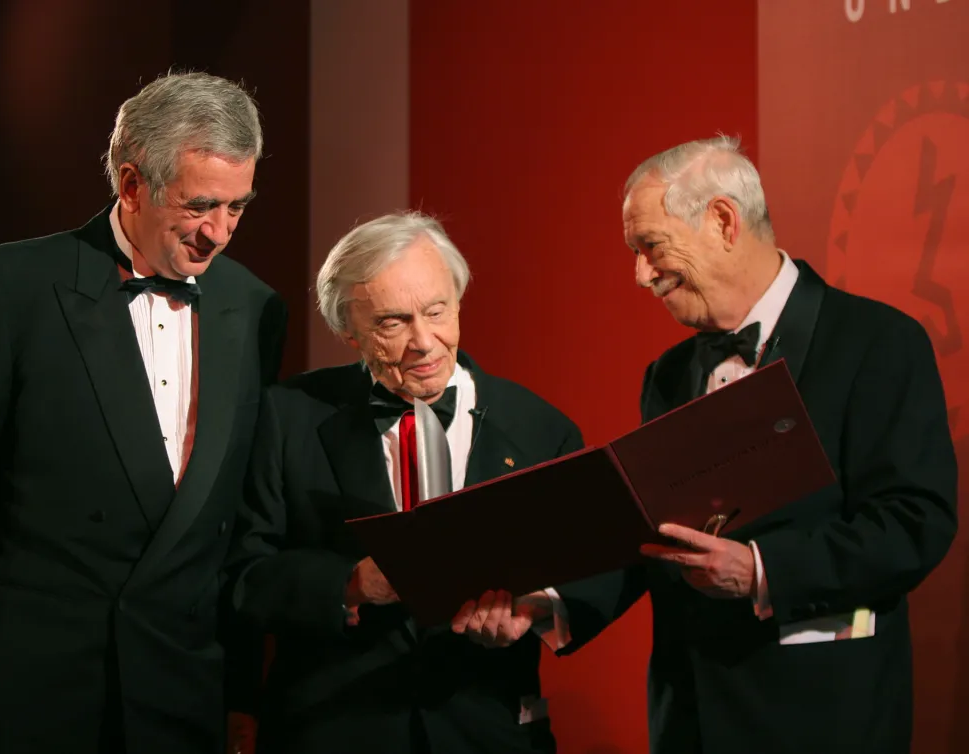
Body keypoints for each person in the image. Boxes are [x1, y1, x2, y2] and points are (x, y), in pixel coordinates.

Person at [457, 135, 958, 753]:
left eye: (651, 246)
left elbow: (914, 523)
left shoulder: (877, 342)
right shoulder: (668, 375)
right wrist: (548, 603)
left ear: (723, 221)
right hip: (689, 720)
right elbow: (651, 534)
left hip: (824, 718)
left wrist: (761, 570)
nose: (641, 275)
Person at [0, 71, 287, 754]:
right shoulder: (13, 286)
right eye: (200, 206)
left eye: (237, 207)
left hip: (181, 689)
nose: (219, 233)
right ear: (131, 185)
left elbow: (240, 524)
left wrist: (242, 696)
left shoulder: (253, 307)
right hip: (35, 687)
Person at [223, 212, 582, 754]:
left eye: (437, 311)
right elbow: (243, 575)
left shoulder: (541, 427)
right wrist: (350, 584)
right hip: (332, 730)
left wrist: (535, 607)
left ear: (458, 302)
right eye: (392, 323)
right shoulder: (287, 416)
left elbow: (597, 556)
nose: (423, 341)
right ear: (348, 331)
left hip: (489, 731)